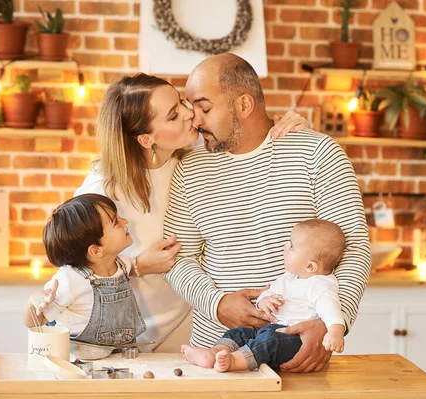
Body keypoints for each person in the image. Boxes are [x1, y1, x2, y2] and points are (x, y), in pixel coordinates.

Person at [163, 53, 372, 372]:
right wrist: (217, 304)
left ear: (244, 106)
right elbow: (177, 257)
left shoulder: (317, 154)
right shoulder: (189, 169)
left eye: (205, 108)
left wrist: (330, 324)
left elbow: (354, 247)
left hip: (296, 353)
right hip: (214, 354)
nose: (196, 120)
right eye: (192, 109)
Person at [73, 73, 310, 352]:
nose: (190, 114)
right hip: (125, 334)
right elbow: (75, 268)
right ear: (147, 139)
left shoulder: (194, 158)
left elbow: (248, 136)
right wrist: (137, 265)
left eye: (182, 101)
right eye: (174, 115)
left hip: (188, 328)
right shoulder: (102, 189)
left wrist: (288, 127)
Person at [181, 219, 347, 372]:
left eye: (291, 247)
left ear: (310, 266)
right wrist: (264, 301)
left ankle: (234, 361)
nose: (284, 247)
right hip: (268, 328)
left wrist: (334, 331)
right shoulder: (289, 277)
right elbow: (268, 292)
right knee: (240, 333)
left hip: (294, 337)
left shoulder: (321, 286)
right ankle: (214, 352)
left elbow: (330, 310)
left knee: (269, 341)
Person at [24, 194, 148, 345]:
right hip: (78, 361)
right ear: (96, 250)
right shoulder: (69, 280)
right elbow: (35, 322)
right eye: (116, 222)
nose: (125, 221)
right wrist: (33, 301)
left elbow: (136, 265)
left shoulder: (122, 265)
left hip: (119, 358)